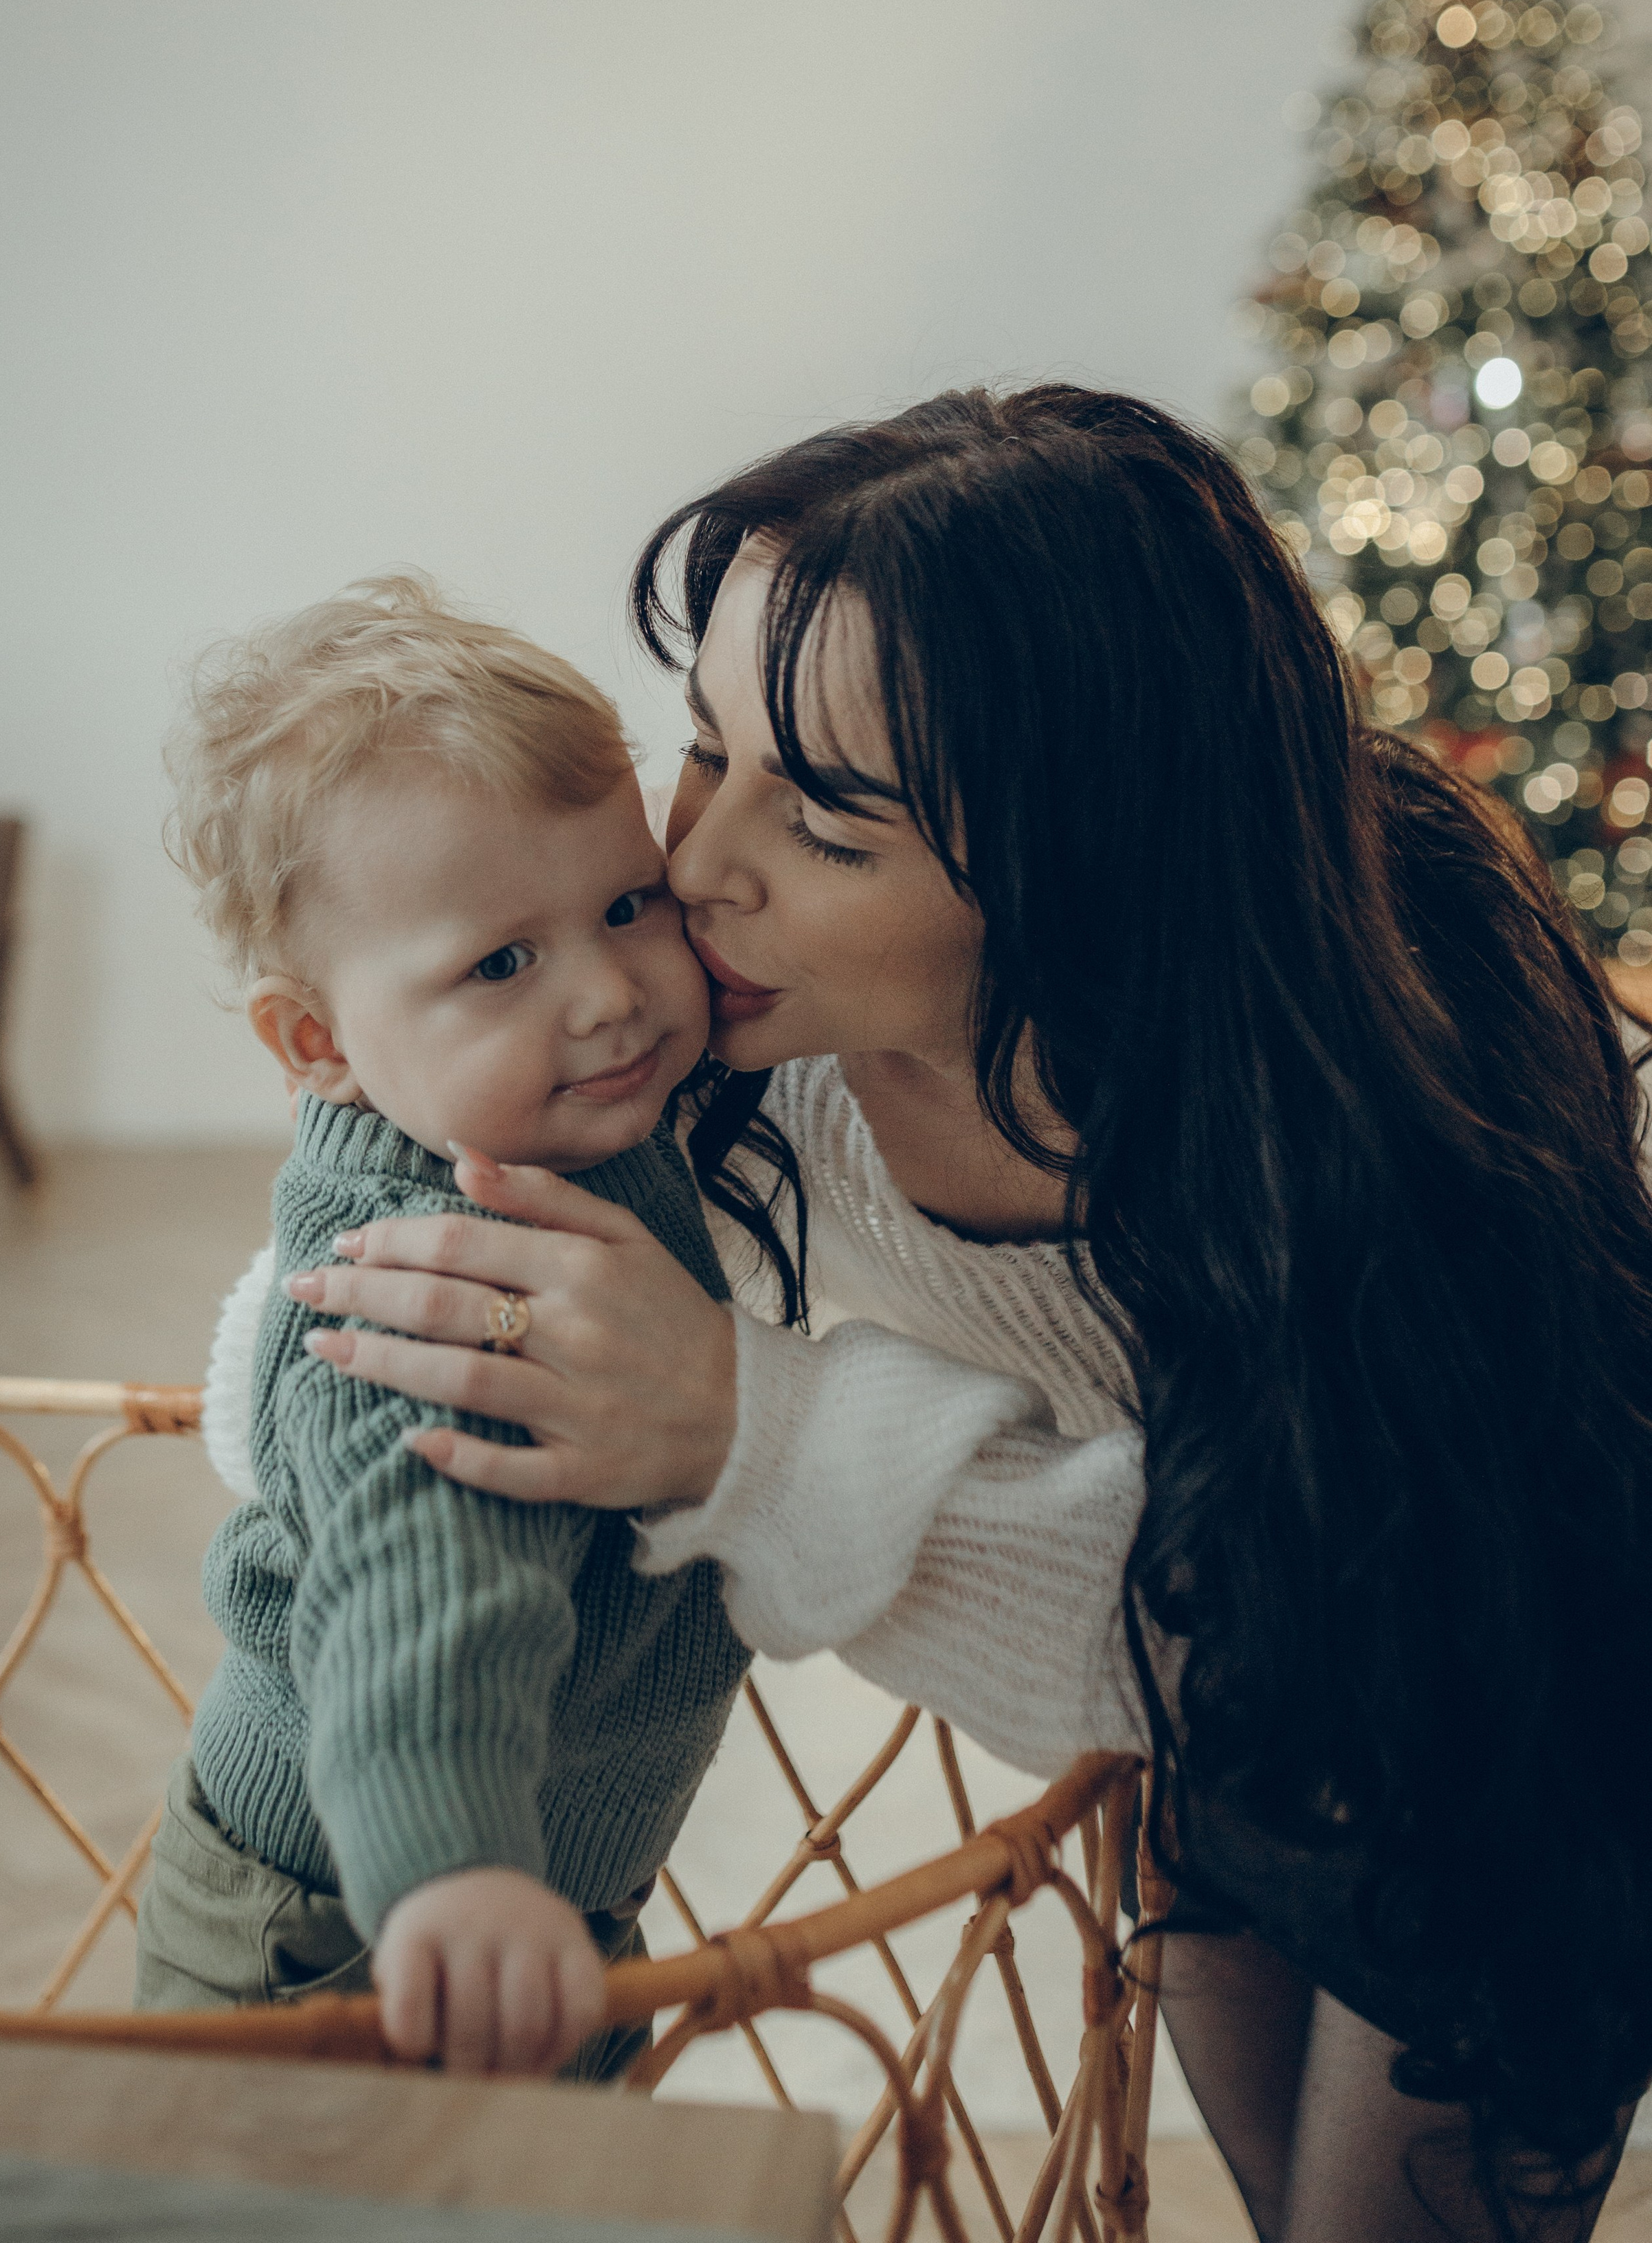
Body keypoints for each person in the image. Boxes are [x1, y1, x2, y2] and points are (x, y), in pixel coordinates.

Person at [223, 390, 1652, 2241]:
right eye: (709, 747)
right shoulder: (720, 1051)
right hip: (1215, 1775)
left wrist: (760, 1433)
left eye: (825, 820)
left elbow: (1309, 1624)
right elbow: (313, 1367)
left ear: (1079, 874)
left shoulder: (1367, 1104)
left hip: (1507, 1740)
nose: (700, 864)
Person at [143, 576, 751, 2077]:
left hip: (510, 1884)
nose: (611, 995)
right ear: (320, 1043)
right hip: (362, 1921)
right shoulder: (450, 1276)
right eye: (501, 964)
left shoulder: (558, 1117)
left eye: (628, 905)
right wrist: (451, 1866)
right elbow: (420, 1586)